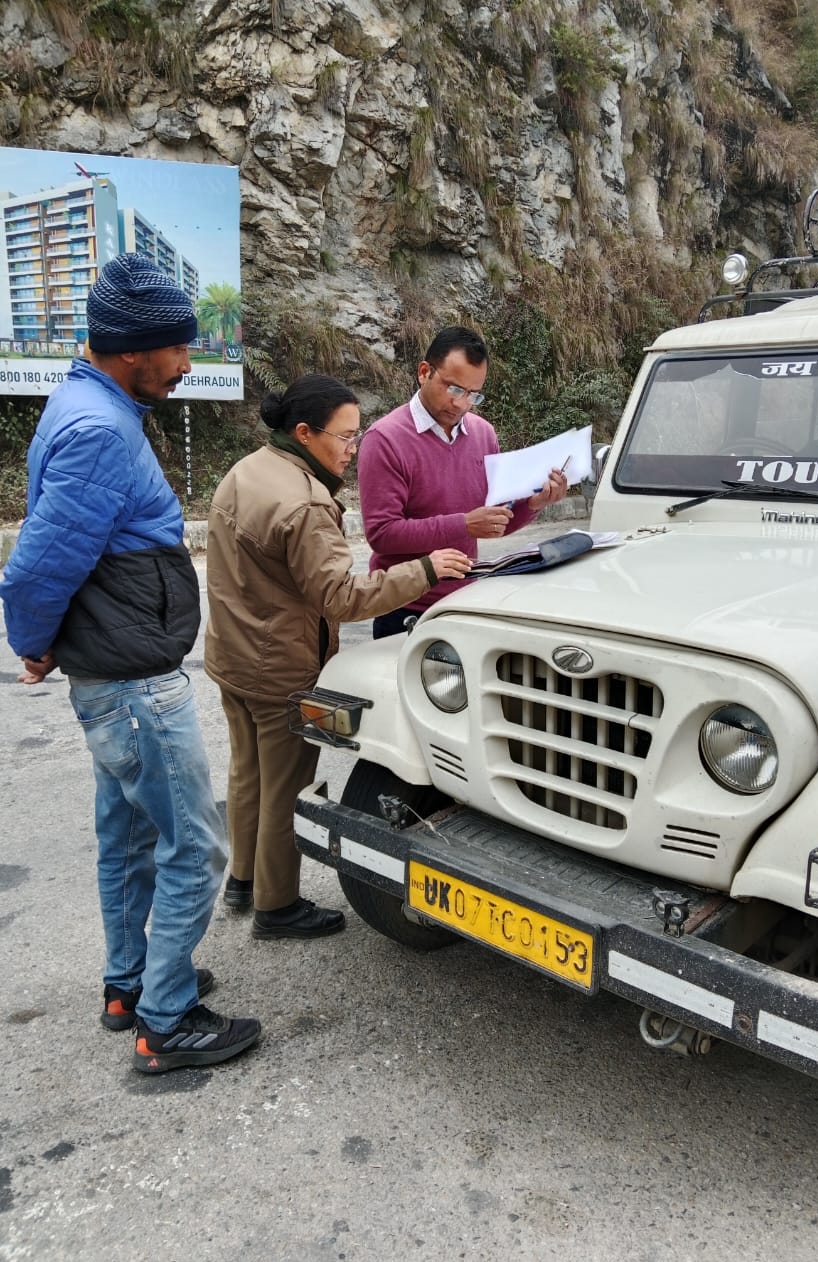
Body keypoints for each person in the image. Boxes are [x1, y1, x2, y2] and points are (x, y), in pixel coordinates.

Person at [0, 253, 260, 1074]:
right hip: (137, 687)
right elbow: (38, 565)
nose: (188, 364)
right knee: (196, 846)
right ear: (133, 349)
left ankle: (129, 984)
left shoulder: (89, 404)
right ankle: (167, 1019)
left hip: (115, 676)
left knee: (128, 836)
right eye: (179, 349)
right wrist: (33, 639)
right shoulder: (99, 431)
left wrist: (47, 639)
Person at [203, 374, 472, 936]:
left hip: (233, 653)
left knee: (247, 773)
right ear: (305, 433)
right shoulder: (303, 502)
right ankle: (277, 907)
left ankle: (243, 880)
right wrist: (426, 569)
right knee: (287, 786)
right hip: (279, 664)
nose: (353, 449)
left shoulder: (247, 470)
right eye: (346, 438)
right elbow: (342, 597)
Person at [358, 325, 571, 638]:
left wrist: (535, 504)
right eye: (454, 388)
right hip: (404, 608)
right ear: (424, 372)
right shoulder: (385, 439)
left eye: (473, 394)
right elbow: (382, 534)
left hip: (463, 601)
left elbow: (495, 521)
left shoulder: (483, 434)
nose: (461, 403)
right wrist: (464, 525)